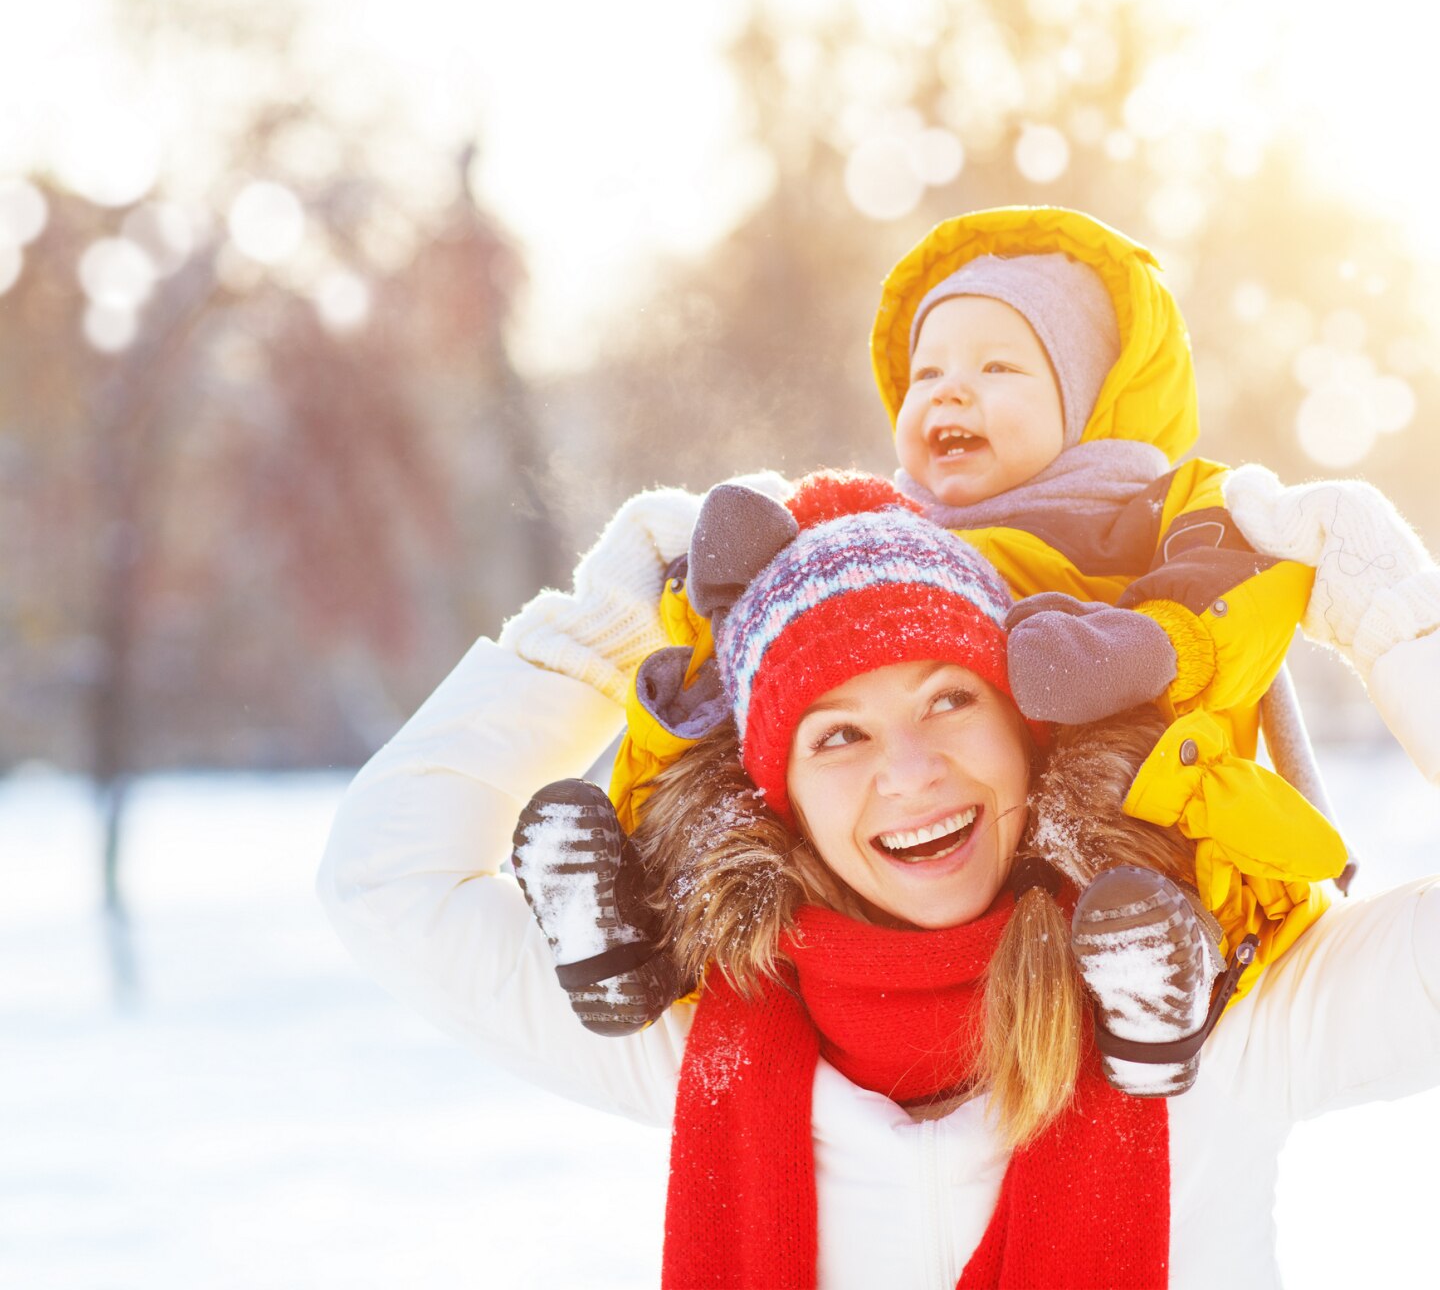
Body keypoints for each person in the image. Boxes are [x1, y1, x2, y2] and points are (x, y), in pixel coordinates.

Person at [318, 474, 1440, 1289]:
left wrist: (1386, 608)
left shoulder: (1219, 1027)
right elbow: (383, 879)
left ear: (1029, 731)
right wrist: (606, 625)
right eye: (837, 737)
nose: (910, 773)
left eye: (951, 699)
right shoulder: (695, 1043)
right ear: (781, 798)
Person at [514, 206, 1440, 1097]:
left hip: (1129, 819)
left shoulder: (1153, 514)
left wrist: (1155, 645)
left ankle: (1166, 975)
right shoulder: (877, 527)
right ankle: (635, 929)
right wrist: (702, 605)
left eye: (1000, 366)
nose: (952, 390)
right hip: (954, 828)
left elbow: (1235, 614)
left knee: (1124, 776)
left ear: (1091, 398)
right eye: (927, 373)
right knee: (748, 764)